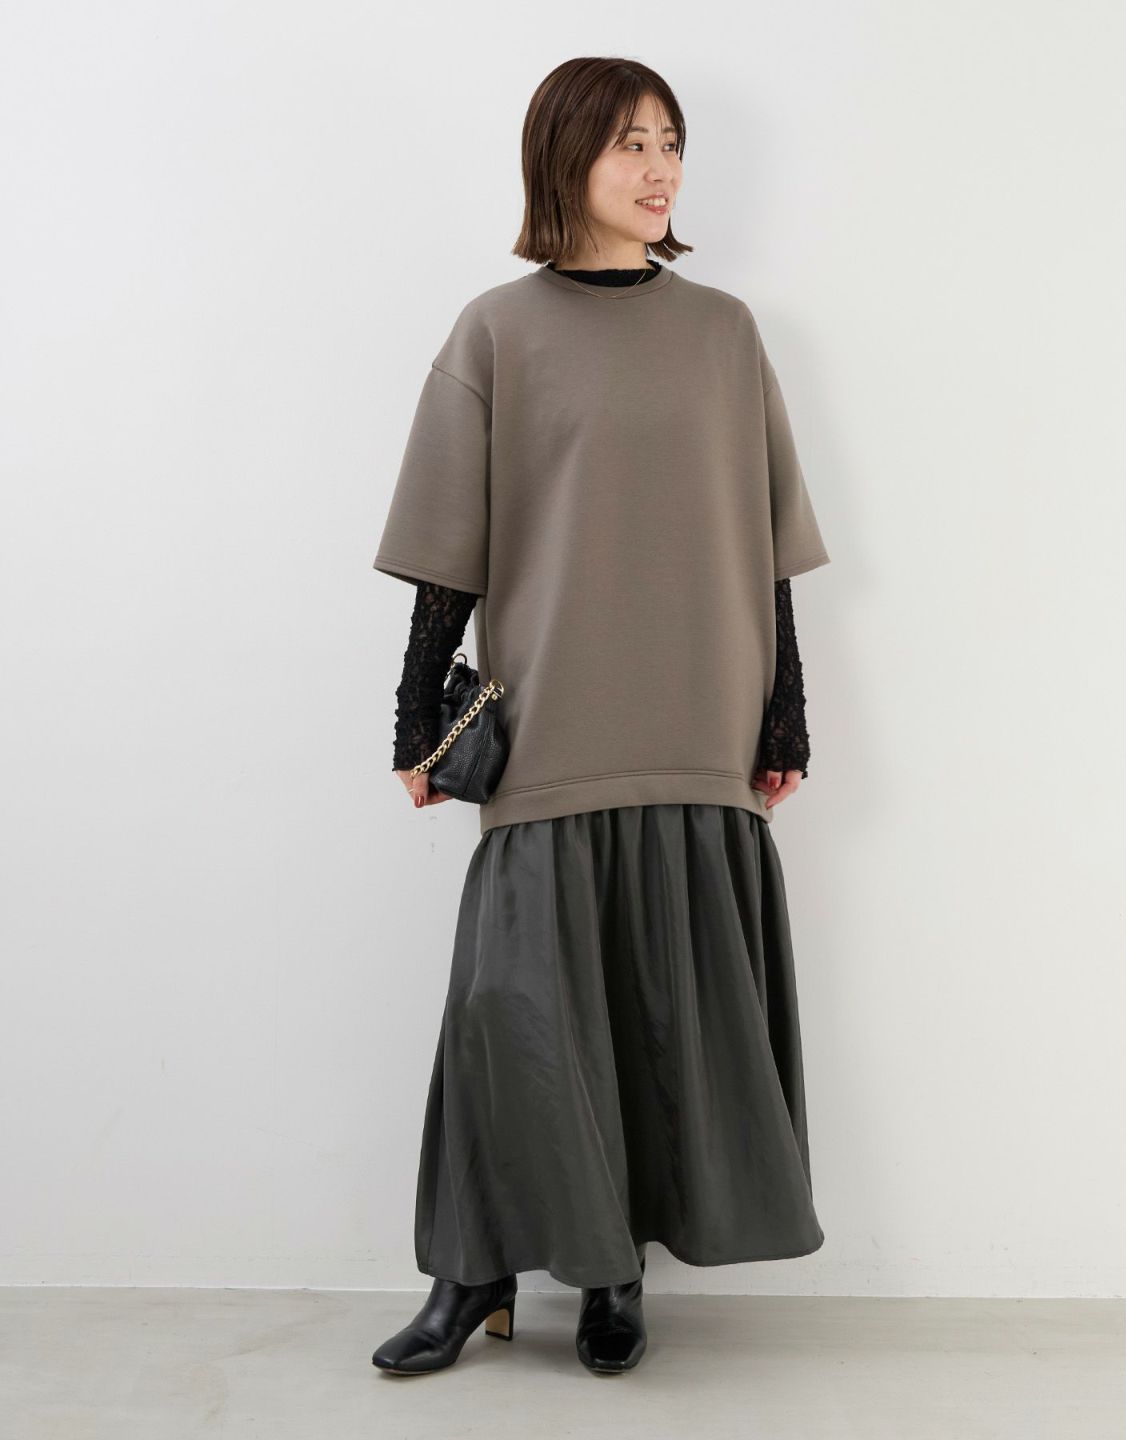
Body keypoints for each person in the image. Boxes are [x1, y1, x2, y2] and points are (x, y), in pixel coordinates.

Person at [369, 56, 830, 1378]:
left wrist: (785, 712)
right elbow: (448, 547)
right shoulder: (495, 331)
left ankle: (615, 1271)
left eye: (671, 142)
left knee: (648, 1015)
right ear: (563, 156)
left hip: (699, 714)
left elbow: (767, 544)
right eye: (631, 142)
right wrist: (415, 715)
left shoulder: (725, 332)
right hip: (555, 715)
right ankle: (471, 1272)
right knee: (508, 1012)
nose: (659, 167)